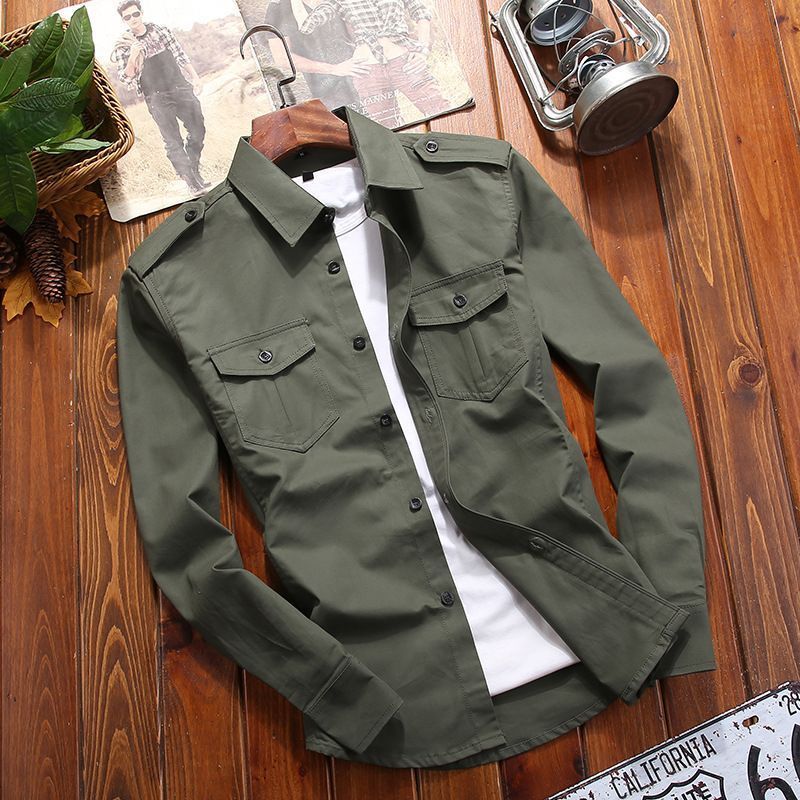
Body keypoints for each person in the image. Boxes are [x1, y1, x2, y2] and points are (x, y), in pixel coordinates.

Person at [291, 0, 449, 128]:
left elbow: (421, 12)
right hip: (368, 71)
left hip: (404, 62)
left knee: (441, 110)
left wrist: (422, 51)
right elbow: (306, 25)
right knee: (387, 129)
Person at [110, 0, 210, 194]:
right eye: (127, 17)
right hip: (156, 97)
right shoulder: (124, 45)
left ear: (141, 13)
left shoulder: (160, 31)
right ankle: (190, 181)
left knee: (198, 130)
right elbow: (126, 78)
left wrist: (195, 78)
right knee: (172, 141)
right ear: (123, 20)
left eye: (135, 14)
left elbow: (180, 55)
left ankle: (193, 169)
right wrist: (133, 55)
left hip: (180, 87)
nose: (133, 19)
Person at [263, 0, 365, 110]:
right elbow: (282, 58)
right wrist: (334, 69)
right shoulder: (279, 9)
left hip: (363, 75)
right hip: (329, 89)